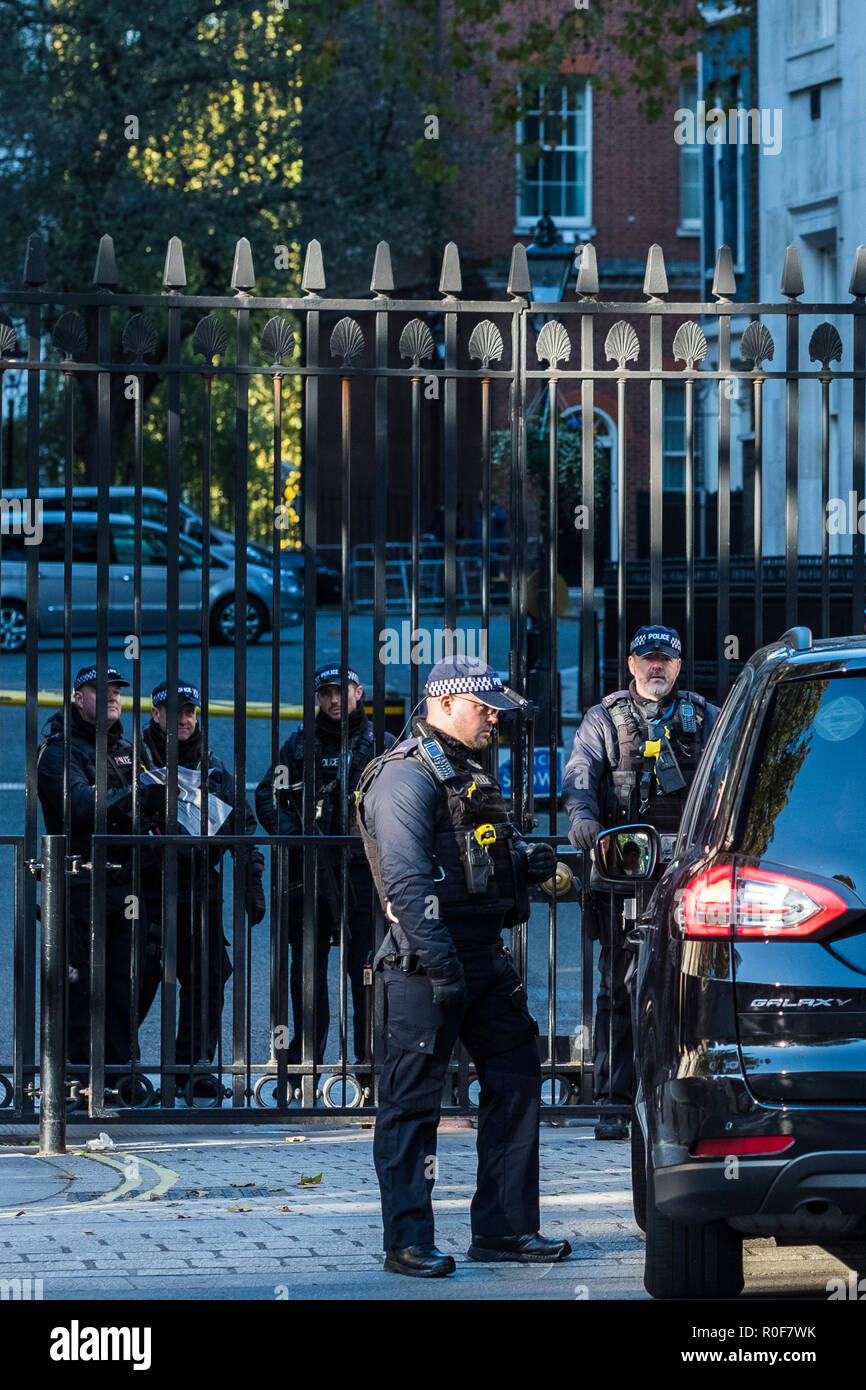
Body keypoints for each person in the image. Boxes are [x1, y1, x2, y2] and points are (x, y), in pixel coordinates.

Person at [355, 654, 570, 1278]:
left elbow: (476, 849)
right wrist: (443, 966)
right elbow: (405, 878)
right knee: (411, 1102)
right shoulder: (403, 777)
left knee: (516, 1081)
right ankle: (407, 1241)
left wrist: (522, 861)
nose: (493, 722)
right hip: (425, 964)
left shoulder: (463, 770)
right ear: (444, 703)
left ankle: (504, 1230)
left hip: (481, 956)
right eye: (484, 710)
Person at [562, 625, 719, 1139]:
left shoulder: (704, 716)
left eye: (665, 660)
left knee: (692, 987)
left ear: (678, 666)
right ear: (631, 664)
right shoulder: (603, 718)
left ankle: (690, 1101)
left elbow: (730, 777)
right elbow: (579, 776)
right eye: (647, 659)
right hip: (624, 876)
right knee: (617, 988)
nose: (657, 667)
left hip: (690, 876)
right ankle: (613, 1101)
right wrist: (583, 819)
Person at [255, 664, 394, 1064]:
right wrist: (293, 836)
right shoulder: (300, 746)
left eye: (341, 691)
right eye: (325, 693)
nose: (334, 700)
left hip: (361, 872)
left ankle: (370, 1064)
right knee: (307, 975)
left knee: (367, 971)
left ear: (358, 691)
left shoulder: (381, 743)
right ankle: (304, 1064)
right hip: (311, 871)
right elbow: (267, 793)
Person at [36, 664, 163, 1066]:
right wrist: (134, 797)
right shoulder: (57, 751)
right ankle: (74, 1081)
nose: (112, 696)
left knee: (129, 980)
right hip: (81, 881)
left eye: (117, 691)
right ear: (77, 698)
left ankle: (119, 1073)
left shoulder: (127, 747)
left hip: (128, 881)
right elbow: (78, 806)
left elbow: (151, 802)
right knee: (80, 986)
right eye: (101, 690)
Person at [139, 679, 266, 1076]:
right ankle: (115, 1072)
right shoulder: (133, 760)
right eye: (174, 713)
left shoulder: (212, 769)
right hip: (145, 892)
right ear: (156, 715)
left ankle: (193, 1073)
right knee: (134, 985)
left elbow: (242, 828)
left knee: (208, 981)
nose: (183, 720)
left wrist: (252, 880)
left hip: (199, 893)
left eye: (190, 713)